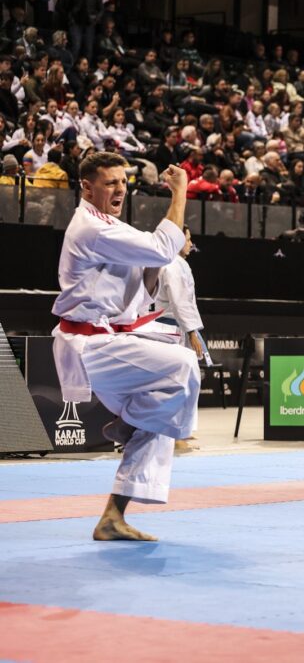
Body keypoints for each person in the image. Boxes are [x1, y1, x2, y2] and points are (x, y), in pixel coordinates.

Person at [50, 152, 198, 542]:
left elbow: (142, 283)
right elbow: (160, 247)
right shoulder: (90, 227)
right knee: (183, 365)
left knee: (160, 422)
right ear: (87, 186)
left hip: (109, 338)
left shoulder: (110, 226)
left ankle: (113, 516)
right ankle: (131, 421)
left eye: (122, 181)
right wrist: (180, 192)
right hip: (87, 343)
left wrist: (165, 255)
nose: (120, 189)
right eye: (110, 182)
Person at [153, 225, 208, 454]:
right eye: (187, 239)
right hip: (171, 330)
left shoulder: (180, 264)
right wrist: (192, 332)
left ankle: (183, 430)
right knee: (177, 383)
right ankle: (174, 436)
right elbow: (178, 302)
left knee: (190, 380)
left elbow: (187, 303)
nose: (190, 243)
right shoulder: (171, 266)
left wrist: (193, 330)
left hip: (181, 328)